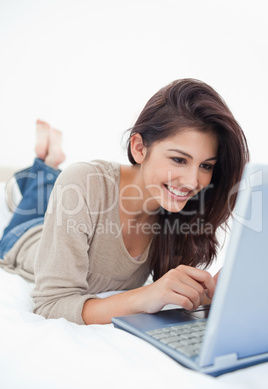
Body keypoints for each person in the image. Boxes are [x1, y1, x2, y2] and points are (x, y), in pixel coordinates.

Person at [0, 78, 249, 325]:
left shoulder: (181, 210)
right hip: (26, 234)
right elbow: (51, 305)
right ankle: (48, 160)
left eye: (206, 165)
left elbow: (173, 290)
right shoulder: (82, 182)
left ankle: (50, 162)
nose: (193, 181)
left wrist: (212, 292)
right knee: (43, 187)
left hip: (74, 209)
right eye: (179, 160)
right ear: (139, 148)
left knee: (52, 185)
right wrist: (144, 296)